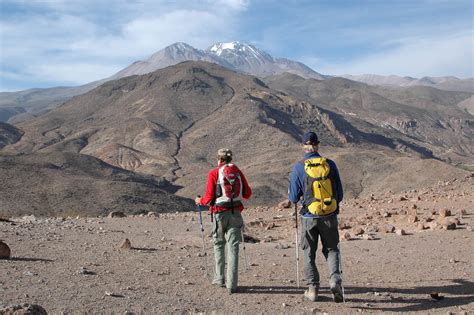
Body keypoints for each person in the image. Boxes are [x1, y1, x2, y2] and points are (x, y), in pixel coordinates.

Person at [280, 131, 344, 302]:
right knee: (332, 249)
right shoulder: (330, 164)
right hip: (329, 215)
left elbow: (293, 197)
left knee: (309, 252)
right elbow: (340, 194)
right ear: (318, 144)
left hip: (309, 216)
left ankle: (313, 289)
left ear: (303, 146)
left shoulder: (299, 167)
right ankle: (335, 280)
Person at [195, 148, 252, 294]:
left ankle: (219, 278)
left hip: (219, 214)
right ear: (230, 159)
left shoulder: (214, 173)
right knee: (234, 247)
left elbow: (208, 198)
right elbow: (247, 194)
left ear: (219, 159)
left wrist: (199, 200)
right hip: (236, 213)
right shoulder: (238, 172)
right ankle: (232, 285)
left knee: (219, 244)